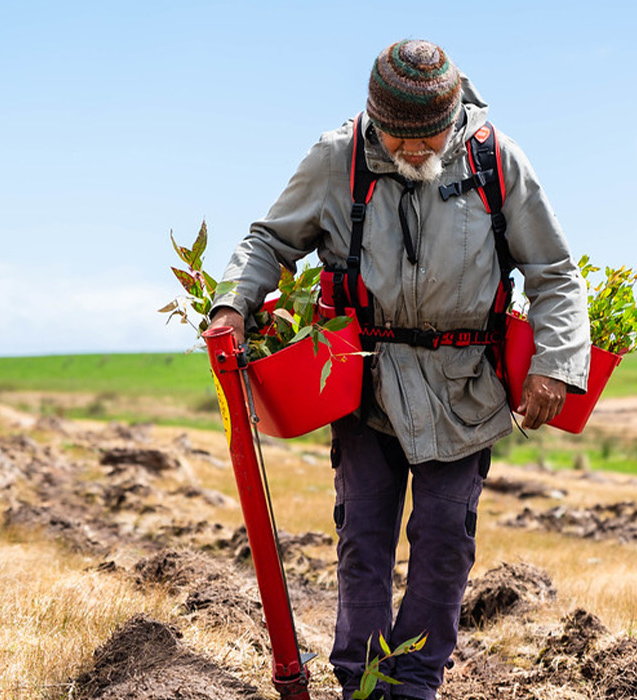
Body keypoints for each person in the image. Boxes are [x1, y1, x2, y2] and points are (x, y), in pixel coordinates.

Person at [209, 40, 590, 700]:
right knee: (363, 540)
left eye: (428, 137)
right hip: (365, 385)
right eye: (398, 137)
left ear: (452, 116)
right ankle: (359, 681)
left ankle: (412, 685)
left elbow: (554, 273)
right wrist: (231, 304)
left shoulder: (496, 161)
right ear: (375, 118)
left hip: (464, 387)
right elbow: (269, 240)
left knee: (444, 543)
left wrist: (556, 364)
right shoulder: (338, 157)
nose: (414, 151)